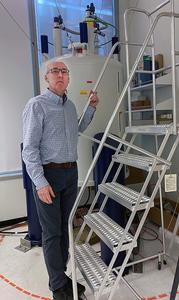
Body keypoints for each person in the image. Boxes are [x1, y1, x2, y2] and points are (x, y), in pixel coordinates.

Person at [22, 59, 99, 300]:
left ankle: (61, 275)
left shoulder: (70, 106)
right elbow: (29, 149)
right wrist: (40, 182)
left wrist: (91, 108)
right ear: (47, 78)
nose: (60, 75)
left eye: (64, 71)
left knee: (66, 230)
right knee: (52, 233)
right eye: (54, 71)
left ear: (68, 78)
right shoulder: (37, 106)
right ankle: (58, 288)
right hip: (49, 175)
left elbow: (76, 130)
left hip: (70, 173)